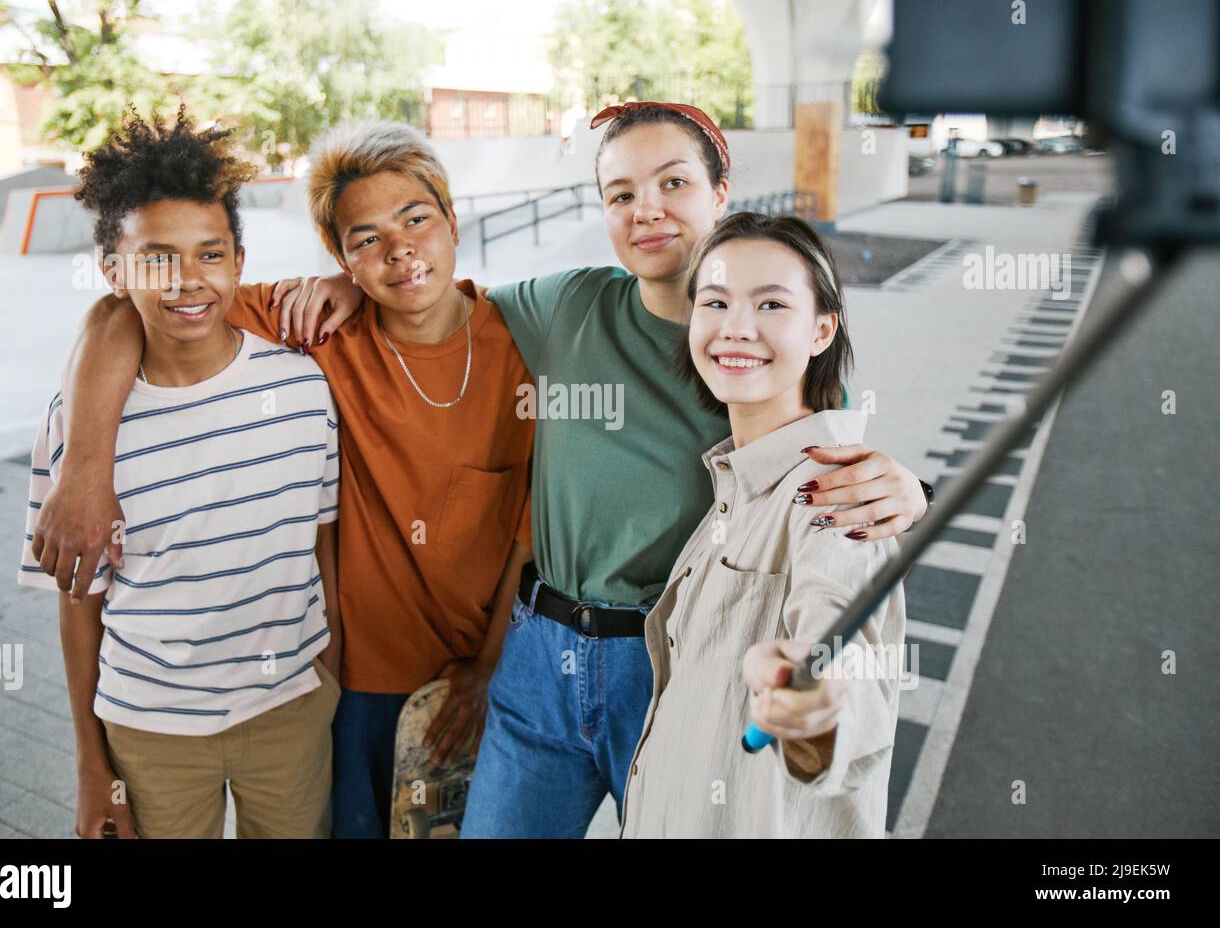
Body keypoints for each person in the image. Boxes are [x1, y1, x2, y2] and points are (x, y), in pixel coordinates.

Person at [271, 102, 929, 838]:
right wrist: (348, 285)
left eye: (673, 183)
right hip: (540, 656)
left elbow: (834, 528)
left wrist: (909, 491)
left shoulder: (766, 359)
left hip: (673, 663)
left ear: (720, 191)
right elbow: (435, 301)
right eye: (621, 195)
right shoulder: (566, 305)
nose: (646, 210)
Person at [28, 120, 535, 838]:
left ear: (452, 219)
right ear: (341, 259)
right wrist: (83, 465)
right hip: (336, 692)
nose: (400, 249)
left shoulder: (518, 349)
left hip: (429, 690)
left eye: (416, 220)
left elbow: (523, 536)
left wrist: (490, 669)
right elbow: (121, 312)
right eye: (365, 239)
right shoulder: (316, 340)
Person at [17, 109, 343, 838]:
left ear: (238, 259)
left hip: (289, 711)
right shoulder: (78, 424)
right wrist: (90, 768)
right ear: (113, 272)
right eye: (158, 257)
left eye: (211, 253)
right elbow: (77, 604)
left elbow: (321, 550)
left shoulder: (299, 390)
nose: (189, 280)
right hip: (150, 730)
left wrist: (330, 676)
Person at [618, 211, 904, 838]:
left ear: (822, 330)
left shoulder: (832, 496)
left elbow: (840, 642)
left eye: (772, 304)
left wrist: (820, 702)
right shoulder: (737, 479)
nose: (736, 328)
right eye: (715, 302)